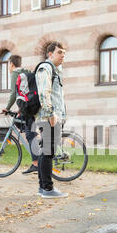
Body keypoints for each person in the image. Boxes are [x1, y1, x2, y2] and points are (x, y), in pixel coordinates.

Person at [35, 41, 68, 199]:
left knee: (45, 152)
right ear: (50, 54)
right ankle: (48, 188)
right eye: (60, 52)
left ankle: (43, 187)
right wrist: (50, 114)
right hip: (49, 118)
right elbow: (43, 92)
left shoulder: (55, 70)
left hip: (51, 117)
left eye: (64, 53)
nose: (63, 55)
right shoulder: (46, 68)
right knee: (48, 152)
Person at [1, 55, 39, 175]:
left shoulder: (15, 73)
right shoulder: (26, 72)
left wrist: (7, 108)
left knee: (30, 135)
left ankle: (36, 164)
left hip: (28, 108)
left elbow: (14, 94)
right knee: (20, 123)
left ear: (11, 64)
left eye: (8, 65)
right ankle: (36, 148)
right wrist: (19, 109)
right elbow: (24, 92)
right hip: (32, 105)